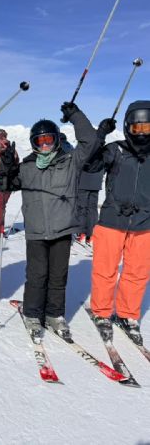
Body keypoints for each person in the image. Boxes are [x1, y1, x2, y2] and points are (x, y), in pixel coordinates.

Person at [0, 103, 97, 340]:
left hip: (62, 228)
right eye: (39, 141)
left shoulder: (70, 161)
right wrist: (7, 165)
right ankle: (32, 314)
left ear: (56, 140)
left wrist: (75, 116)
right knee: (37, 275)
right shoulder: (27, 166)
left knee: (58, 276)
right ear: (33, 143)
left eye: (48, 140)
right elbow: (5, 185)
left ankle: (54, 314)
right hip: (37, 231)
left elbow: (90, 141)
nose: (44, 145)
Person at [88, 102, 150, 346]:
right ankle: (102, 312)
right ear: (128, 127)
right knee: (105, 270)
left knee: (138, 272)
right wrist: (99, 136)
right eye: (137, 128)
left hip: (145, 222)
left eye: (147, 127)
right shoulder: (116, 150)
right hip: (112, 220)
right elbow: (90, 164)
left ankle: (127, 314)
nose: (142, 133)